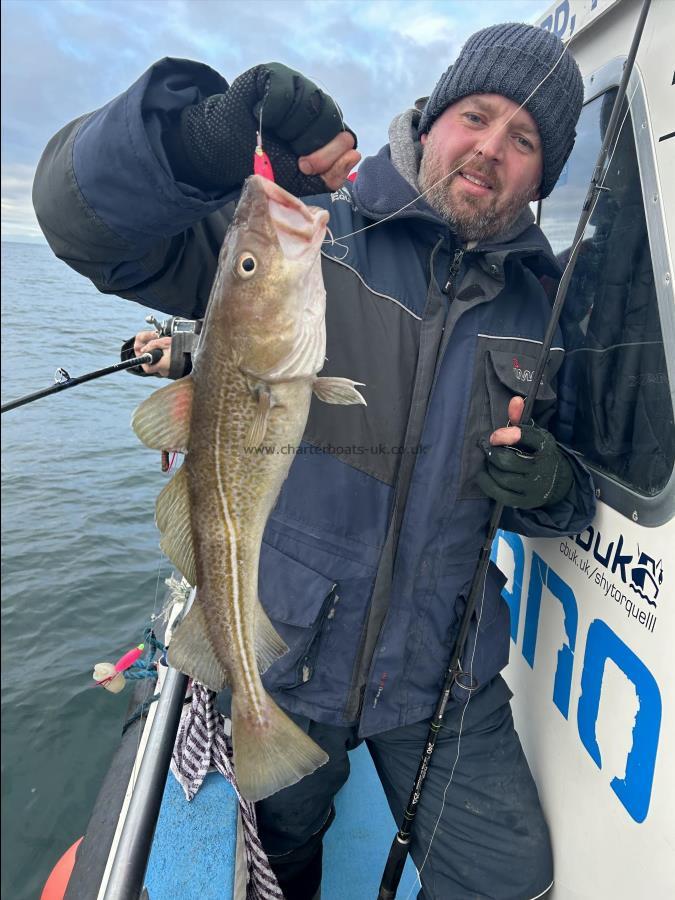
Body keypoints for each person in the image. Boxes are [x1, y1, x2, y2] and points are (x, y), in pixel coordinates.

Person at [34, 22, 595, 900]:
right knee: (289, 843)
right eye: (476, 116)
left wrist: (552, 485)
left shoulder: (545, 307)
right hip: (291, 657)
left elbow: (560, 494)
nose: (489, 148)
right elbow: (85, 225)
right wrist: (197, 141)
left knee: (512, 878)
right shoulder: (303, 234)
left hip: (443, 670)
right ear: (431, 118)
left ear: (542, 175)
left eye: (523, 139)